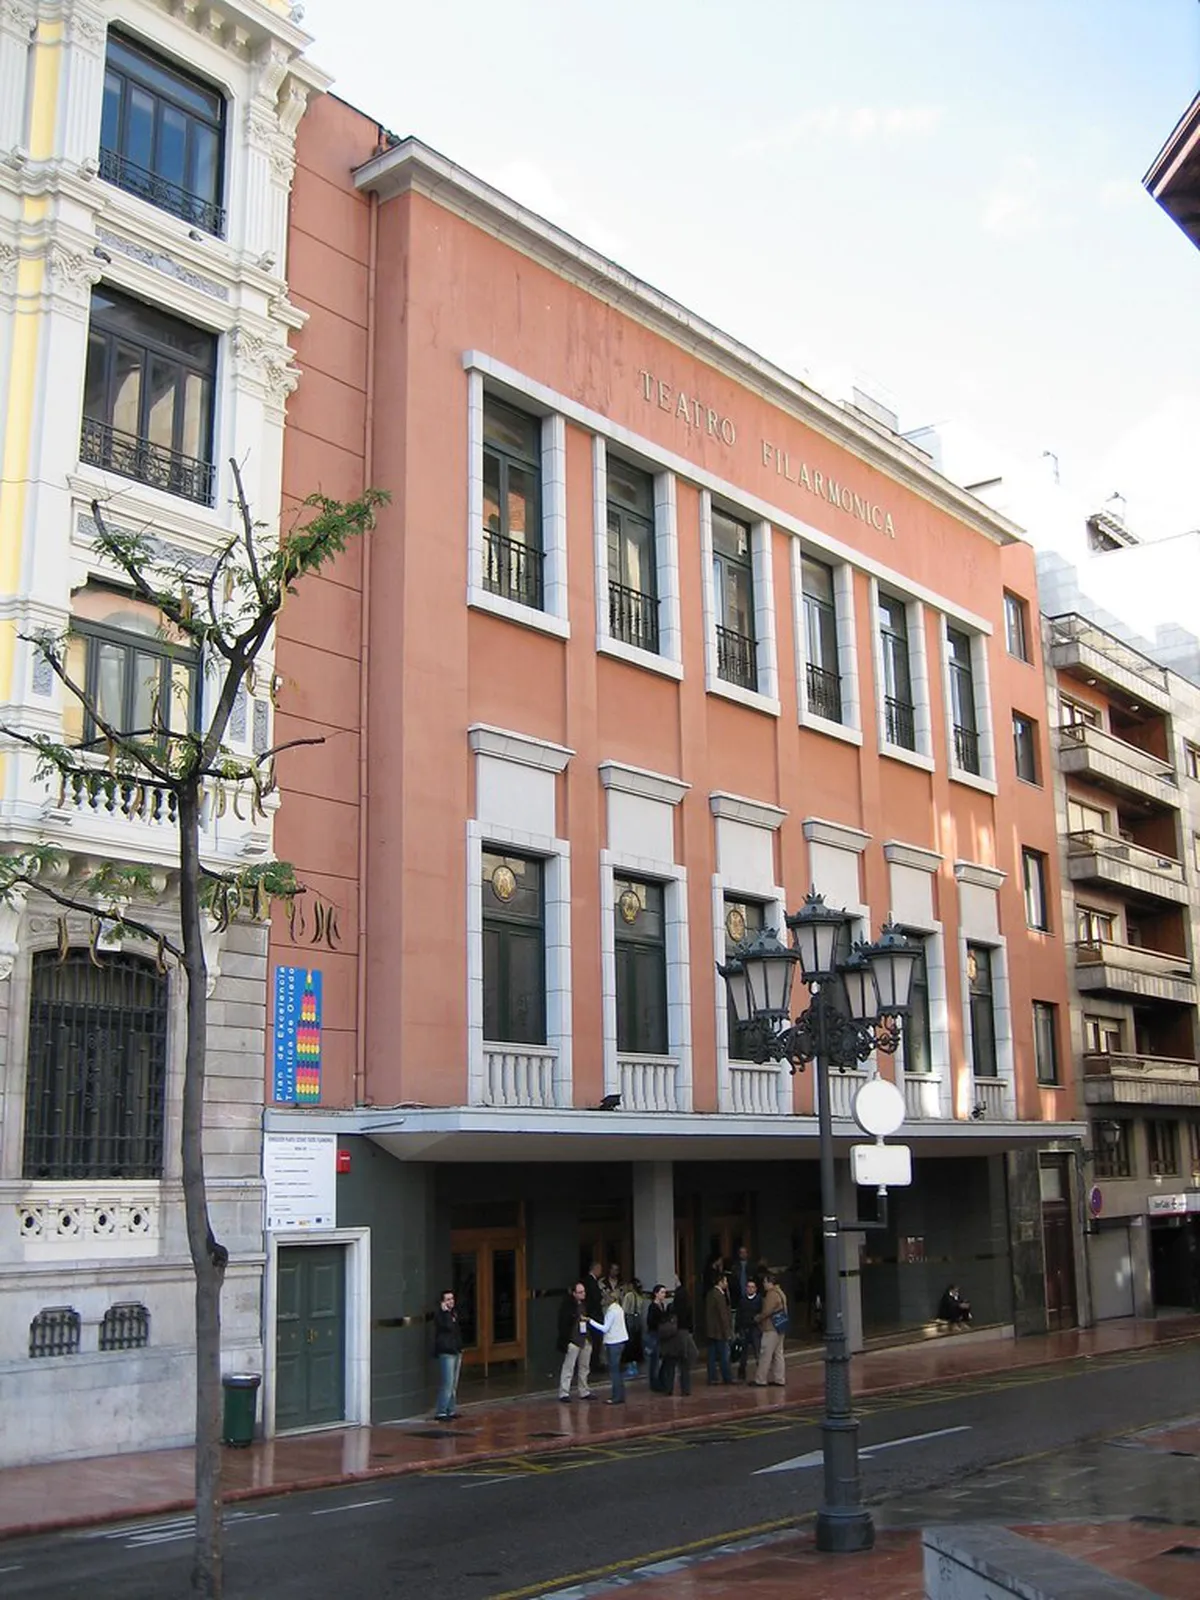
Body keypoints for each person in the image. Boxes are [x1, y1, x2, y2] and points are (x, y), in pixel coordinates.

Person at [557, 1281, 593, 1401]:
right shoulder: (567, 1306)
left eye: (583, 1291)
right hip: (573, 1340)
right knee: (569, 1367)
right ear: (574, 1293)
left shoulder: (586, 1305)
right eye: (580, 1292)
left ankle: (584, 1390)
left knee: (584, 1367)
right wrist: (567, 1341)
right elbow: (563, 1324)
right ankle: (564, 1392)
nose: (583, 1294)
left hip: (585, 1339)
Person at [590, 1294, 629, 1404]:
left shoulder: (611, 1311)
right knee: (618, 1371)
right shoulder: (619, 1308)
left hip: (613, 1342)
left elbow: (605, 1328)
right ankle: (620, 1395)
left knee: (614, 1371)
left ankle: (616, 1396)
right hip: (621, 1341)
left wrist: (590, 1321)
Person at [754, 1267, 788, 1387]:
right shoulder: (781, 1292)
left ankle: (761, 1379)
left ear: (770, 1282)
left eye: (764, 1282)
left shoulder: (771, 1294)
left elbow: (767, 1311)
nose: (763, 1285)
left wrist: (758, 1318)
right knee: (779, 1354)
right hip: (781, 1326)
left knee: (765, 1353)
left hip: (771, 1328)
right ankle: (780, 1378)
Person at [432, 1288, 463, 1420]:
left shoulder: (454, 1313)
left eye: (452, 1299)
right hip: (446, 1352)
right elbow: (447, 1327)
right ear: (442, 1302)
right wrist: (444, 1312)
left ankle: (451, 1409)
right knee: (447, 1382)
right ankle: (441, 1411)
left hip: (456, 1350)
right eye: (448, 1299)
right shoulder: (441, 1315)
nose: (451, 1302)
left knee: (454, 1384)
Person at [705, 1270, 733, 1384]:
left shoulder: (710, 1293)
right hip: (719, 1331)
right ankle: (727, 1377)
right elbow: (723, 1315)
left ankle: (712, 1377)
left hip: (711, 1331)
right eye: (725, 1281)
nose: (727, 1283)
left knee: (711, 1355)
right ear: (720, 1282)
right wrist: (727, 1332)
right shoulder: (719, 1295)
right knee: (724, 1355)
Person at [734, 1274, 762, 1381]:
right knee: (743, 1354)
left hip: (755, 1329)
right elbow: (738, 1315)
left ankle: (760, 1374)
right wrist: (737, 1328)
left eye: (752, 1287)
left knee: (757, 1352)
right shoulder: (742, 1301)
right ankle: (741, 1373)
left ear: (755, 1289)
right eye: (748, 1287)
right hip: (744, 1329)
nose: (750, 1289)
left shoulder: (759, 1301)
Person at [644, 1283, 669, 1392]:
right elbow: (650, 1322)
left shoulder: (662, 1306)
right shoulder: (652, 1307)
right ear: (656, 1294)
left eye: (664, 1293)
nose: (664, 1295)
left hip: (661, 1334)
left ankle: (660, 1380)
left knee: (660, 1358)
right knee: (654, 1360)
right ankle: (654, 1382)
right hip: (654, 1335)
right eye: (662, 1292)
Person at [584, 1259, 605, 1370]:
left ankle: (595, 1363)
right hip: (594, 1315)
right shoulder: (590, 1282)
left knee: (596, 1341)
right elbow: (595, 1298)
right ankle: (594, 1364)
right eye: (600, 1269)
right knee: (595, 1340)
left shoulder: (592, 1281)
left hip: (593, 1314)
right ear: (595, 1269)